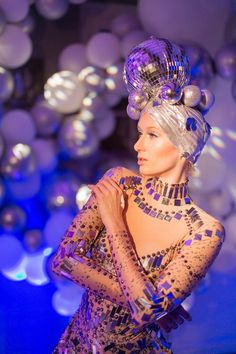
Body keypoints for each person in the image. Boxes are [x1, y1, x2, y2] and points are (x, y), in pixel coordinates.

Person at [51, 37, 225, 354]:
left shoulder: (205, 231)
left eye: (151, 136)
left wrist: (115, 223)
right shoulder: (119, 182)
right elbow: (63, 261)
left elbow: (145, 311)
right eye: (139, 134)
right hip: (77, 346)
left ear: (185, 146)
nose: (137, 146)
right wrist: (150, 302)